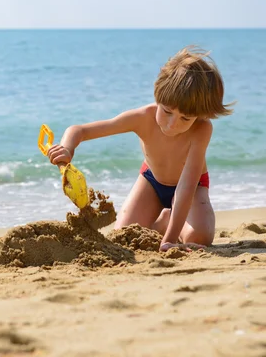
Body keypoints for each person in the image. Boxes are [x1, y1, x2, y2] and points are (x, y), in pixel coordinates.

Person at [47, 46, 233, 252]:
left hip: (192, 187)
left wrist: (169, 240)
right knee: (124, 236)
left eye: (185, 118)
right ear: (158, 97)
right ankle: (163, 220)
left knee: (200, 238)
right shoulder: (142, 118)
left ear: (198, 115)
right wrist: (66, 148)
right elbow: (79, 130)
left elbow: (186, 186)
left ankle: (169, 223)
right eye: (167, 111)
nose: (172, 124)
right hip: (152, 182)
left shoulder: (202, 129)